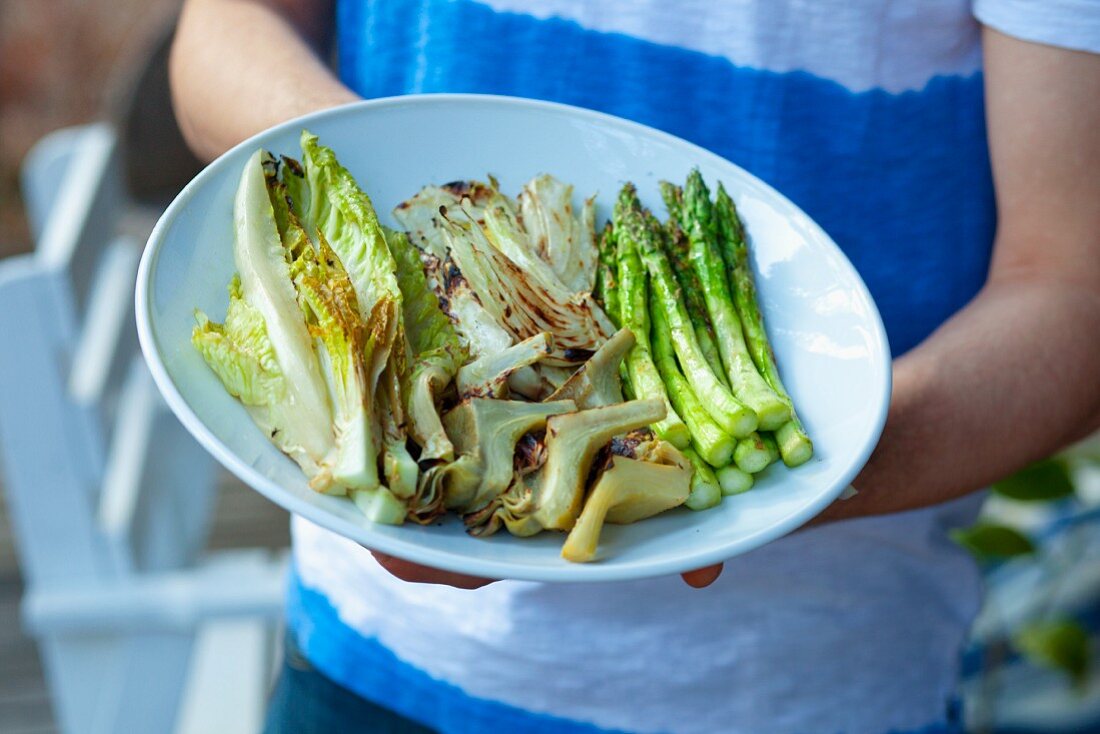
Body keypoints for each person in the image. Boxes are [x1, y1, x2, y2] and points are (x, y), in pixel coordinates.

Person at [169, 1, 1100, 732]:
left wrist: (797, 482)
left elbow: (1074, 294)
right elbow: (225, 26)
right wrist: (392, 214)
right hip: (371, 657)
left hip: (797, 690)